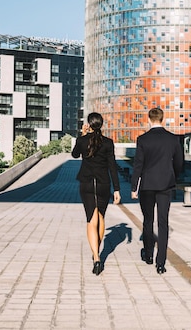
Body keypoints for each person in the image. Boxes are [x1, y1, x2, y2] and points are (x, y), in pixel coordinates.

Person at [131, 108, 183, 274]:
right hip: (165, 184)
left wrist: (134, 187)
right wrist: (173, 175)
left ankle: (148, 254)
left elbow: (138, 165)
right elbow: (179, 162)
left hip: (147, 184)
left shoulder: (142, 139)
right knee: (163, 222)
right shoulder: (172, 139)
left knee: (148, 220)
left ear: (149, 120)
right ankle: (161, 263)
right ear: (162, 119)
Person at [72, 112, 121, 276]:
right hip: (103, 184)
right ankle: (97, 253)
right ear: (101, 125)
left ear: (89, 124)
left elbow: (74, 154)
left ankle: (96, 257)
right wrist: (117, 189)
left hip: (87, 184)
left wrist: (83, 135)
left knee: (90, 220)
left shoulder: (82, 140)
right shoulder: (108, 143)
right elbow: (113, 167)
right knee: (100, 218)